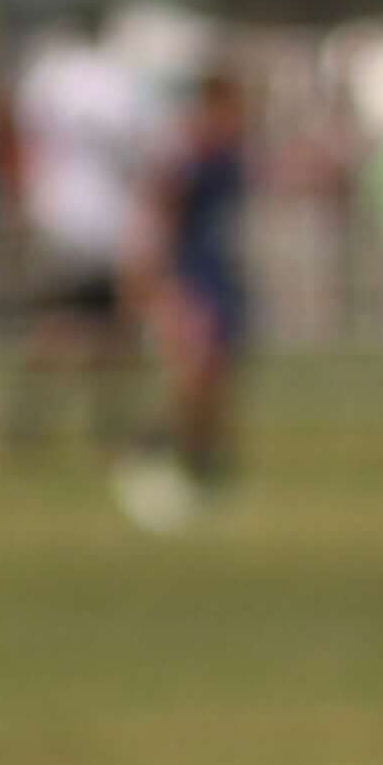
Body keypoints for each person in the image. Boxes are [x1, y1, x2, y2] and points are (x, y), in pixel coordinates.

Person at [5, 18, 166, 464]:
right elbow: (149, 156)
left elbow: (21, 142)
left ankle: (40, 421)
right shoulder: (124, 79)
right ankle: (99, 422)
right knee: (105, 325)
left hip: (60, 216)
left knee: (68, 323)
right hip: (104, 221)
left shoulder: (51, 75)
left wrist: (24, 201)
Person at [128, 62, 254, 524]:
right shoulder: (190, 151)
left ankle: (204, 465)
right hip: (189, 274)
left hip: (220, 273)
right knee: (194, 371)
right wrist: (151, 272)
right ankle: (153, 452)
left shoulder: (232, 151)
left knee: (216, 377)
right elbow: (161, 207)